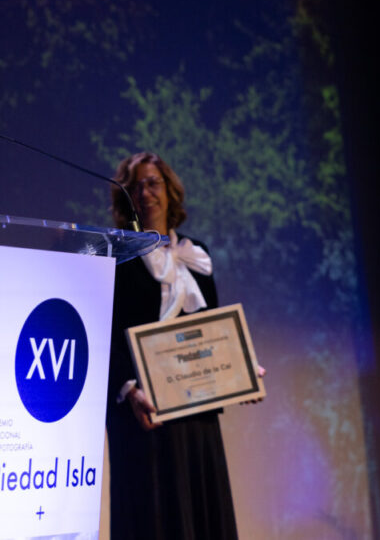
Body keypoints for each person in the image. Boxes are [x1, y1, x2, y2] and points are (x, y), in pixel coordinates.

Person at [105, 151, 256, 540]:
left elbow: (214, 331)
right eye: (136, 185)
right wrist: (129, 389)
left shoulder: (197, 256)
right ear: (127, 199)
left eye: (153, 182)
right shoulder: (118, 257)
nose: (145, 192)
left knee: (202, 513)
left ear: (170, 192)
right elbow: (106, 336)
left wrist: (243, 370)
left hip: (196, 410)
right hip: (146, 414)